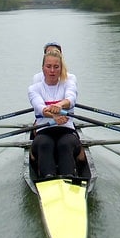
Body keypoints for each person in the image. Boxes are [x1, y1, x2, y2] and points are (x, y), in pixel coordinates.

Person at [28, 50, 82, 178]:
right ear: (43, 69)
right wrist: (54, 116)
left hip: (67, 131)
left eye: (56, 67)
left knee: (65, 144)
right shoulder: (34, 89)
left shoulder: (68, 83)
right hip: (43, 131)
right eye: (48, 66)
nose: (52, 70)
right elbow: (40, 107)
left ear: (61, 68)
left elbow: (71, 99)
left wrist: (60, 105)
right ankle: (48, 178)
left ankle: (69, 178)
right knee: (45, 144)